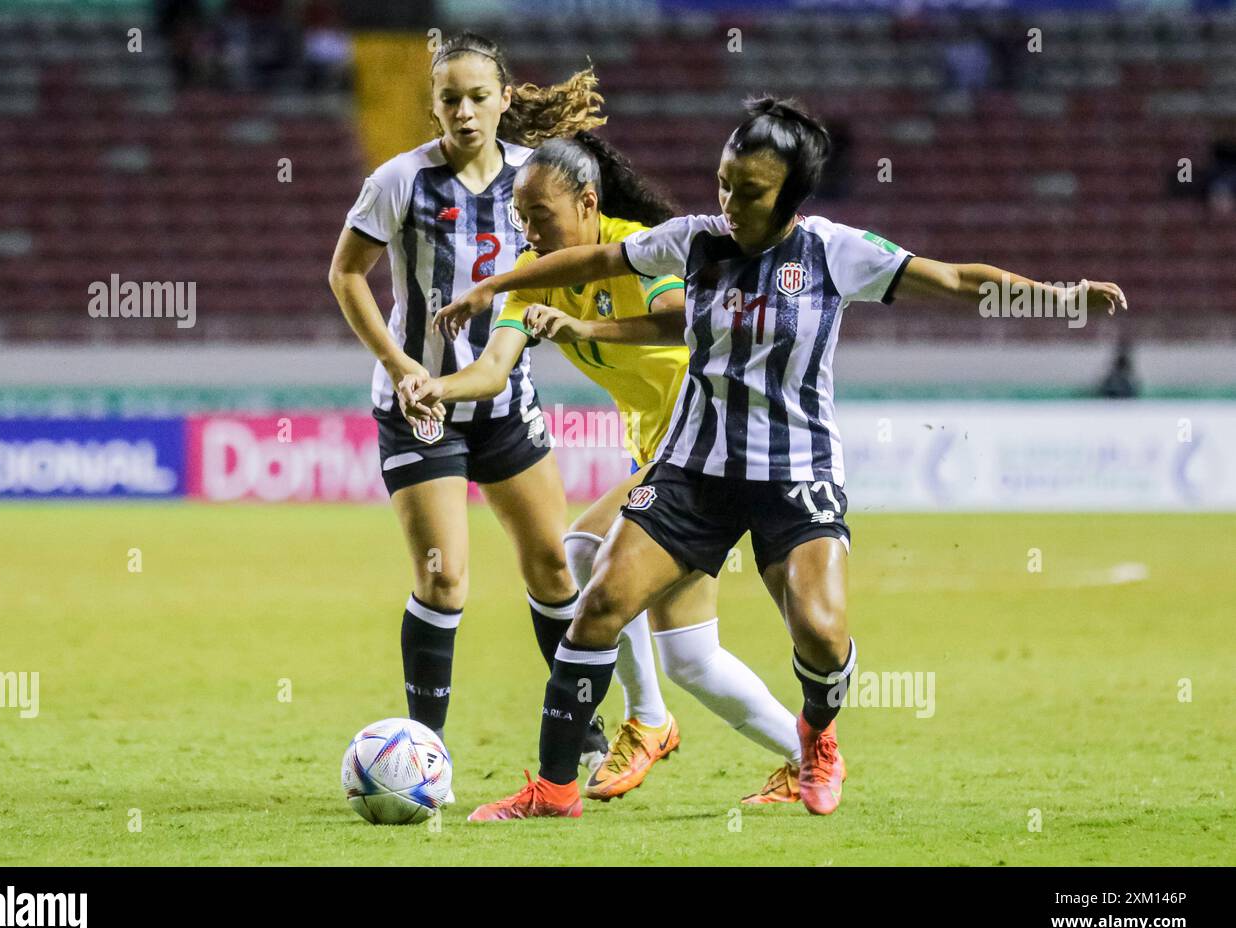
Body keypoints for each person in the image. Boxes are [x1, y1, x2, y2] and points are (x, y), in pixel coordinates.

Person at [435, 95, 1127, 820]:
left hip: (794, 476)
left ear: (791, 196)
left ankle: (816, 742)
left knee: (821, 633)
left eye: (751, 191)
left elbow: (954, 280)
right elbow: (603, 256)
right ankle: (553, 791)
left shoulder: (835, 252)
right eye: (725, 182)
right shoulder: (694, 241)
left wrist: (1057, 298)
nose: (730, 201)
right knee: (600, 602)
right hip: (693, 470)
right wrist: (496, 284)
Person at [398, 132, 808, 804]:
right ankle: (809, 759)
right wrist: (434, 388)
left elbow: (682, 323)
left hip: (715, 439)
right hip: (664, 452)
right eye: (519, 219)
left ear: (588, 203)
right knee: (691, 658)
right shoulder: (534, 278)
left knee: (586, 543)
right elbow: (493, 369)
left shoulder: (638, 249)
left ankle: (646, 721)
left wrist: (583, 330)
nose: (528, 231)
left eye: (541, 217)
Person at [327, 32, 615, 768]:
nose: (463, 111)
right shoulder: (400, 181)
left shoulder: (532, 178)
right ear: (433, 104)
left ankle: (577, 730)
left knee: (554, 566)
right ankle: (425, 753)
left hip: (504, 403)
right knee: (443, 577)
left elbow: (579, 252)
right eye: (449, 98)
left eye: (478, 97)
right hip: (418, 409)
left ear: (505, 100)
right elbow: (347, 275)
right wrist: (398, 368)